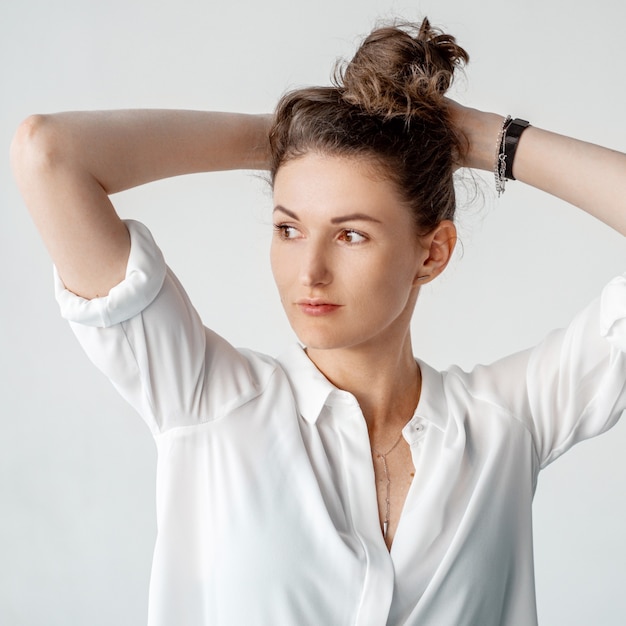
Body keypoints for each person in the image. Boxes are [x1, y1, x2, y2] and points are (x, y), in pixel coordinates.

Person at [10, 17, 626, 626]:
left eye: (351, 234)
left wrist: (477, 137)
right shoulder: (206, 401)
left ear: (432, 252)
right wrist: (294, 138)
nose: (309, 270)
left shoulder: (505, 424)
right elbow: (48, 153)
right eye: (288, 227)